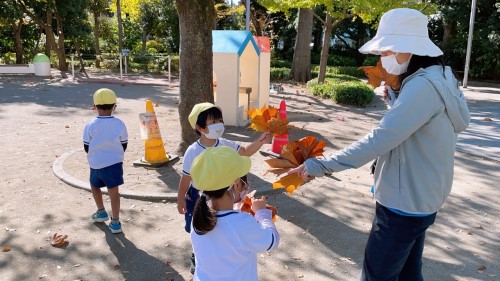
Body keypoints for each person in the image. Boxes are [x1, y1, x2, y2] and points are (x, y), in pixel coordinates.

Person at [288, 8, 470, 281]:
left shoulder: (421, 88)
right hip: (424, 196)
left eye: (386, 51)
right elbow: (421, 126)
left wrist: (322, 165)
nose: (382, 59)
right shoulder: (441, 76)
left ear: (408, 48)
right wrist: (396, 100)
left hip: (403, 204)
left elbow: (379, 140)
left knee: (377, 275)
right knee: (409, 273)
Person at [177, 102, 272, 273]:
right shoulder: (192, 151)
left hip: (221, 192)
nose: (218, 125)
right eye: (212, 122)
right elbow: (185, 178)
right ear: (199, 127)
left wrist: (260, 141)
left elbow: (244, 151)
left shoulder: (225, 144)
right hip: (198, 196)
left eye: (219, 120)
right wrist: (180, 199)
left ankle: (215, 251)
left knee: (220, 225)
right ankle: (197, 255)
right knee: (198, 224)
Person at [189, 146, 279, 281]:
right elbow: (272, 240)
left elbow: (226, 228)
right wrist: (262, 213)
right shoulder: (242, 222)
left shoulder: (200, 217)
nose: (246, 184)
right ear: (237, 184)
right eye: (244, 181)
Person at [83, 88, 128, 234]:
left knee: (94, 186)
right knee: (114, 192)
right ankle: (115, 222)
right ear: (114, 106)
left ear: (94, 106)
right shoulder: (119, 124)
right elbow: (124, 143)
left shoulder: (90, 125)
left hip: (95, 163)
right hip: (114, 163)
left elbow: (86, 145)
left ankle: (101, 211)